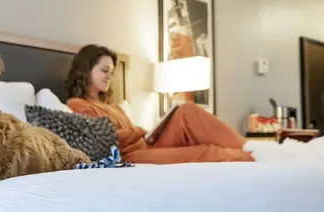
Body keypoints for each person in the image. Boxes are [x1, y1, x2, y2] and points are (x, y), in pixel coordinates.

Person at [64, 44, 254, 164]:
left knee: (186, 111)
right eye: (104, 70)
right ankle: (252, 156)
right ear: (86, 70)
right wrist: (140, 131)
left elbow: (129, 133)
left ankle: (250, 147)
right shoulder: (77, 105)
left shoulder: (114, 106)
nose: (109, 77)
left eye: (112, 72)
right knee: (205, 152)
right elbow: (101, 139)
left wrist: (146, 133)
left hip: (146, 144)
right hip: (128, 155)